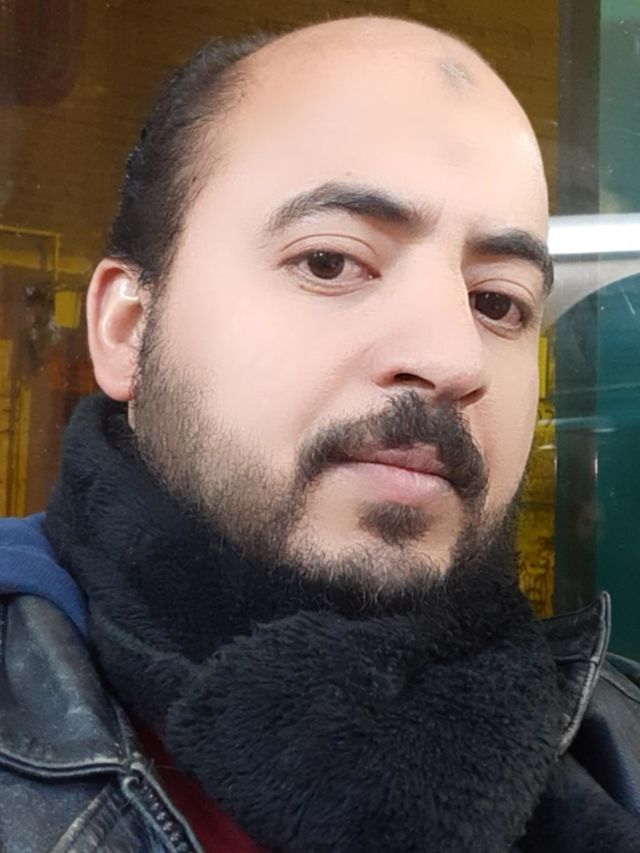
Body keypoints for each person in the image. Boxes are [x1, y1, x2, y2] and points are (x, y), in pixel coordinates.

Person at [1, 15, 639, 853]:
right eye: (330, 261)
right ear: (127, 330)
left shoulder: (620, 752)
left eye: (498, 302)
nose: (452, 358)